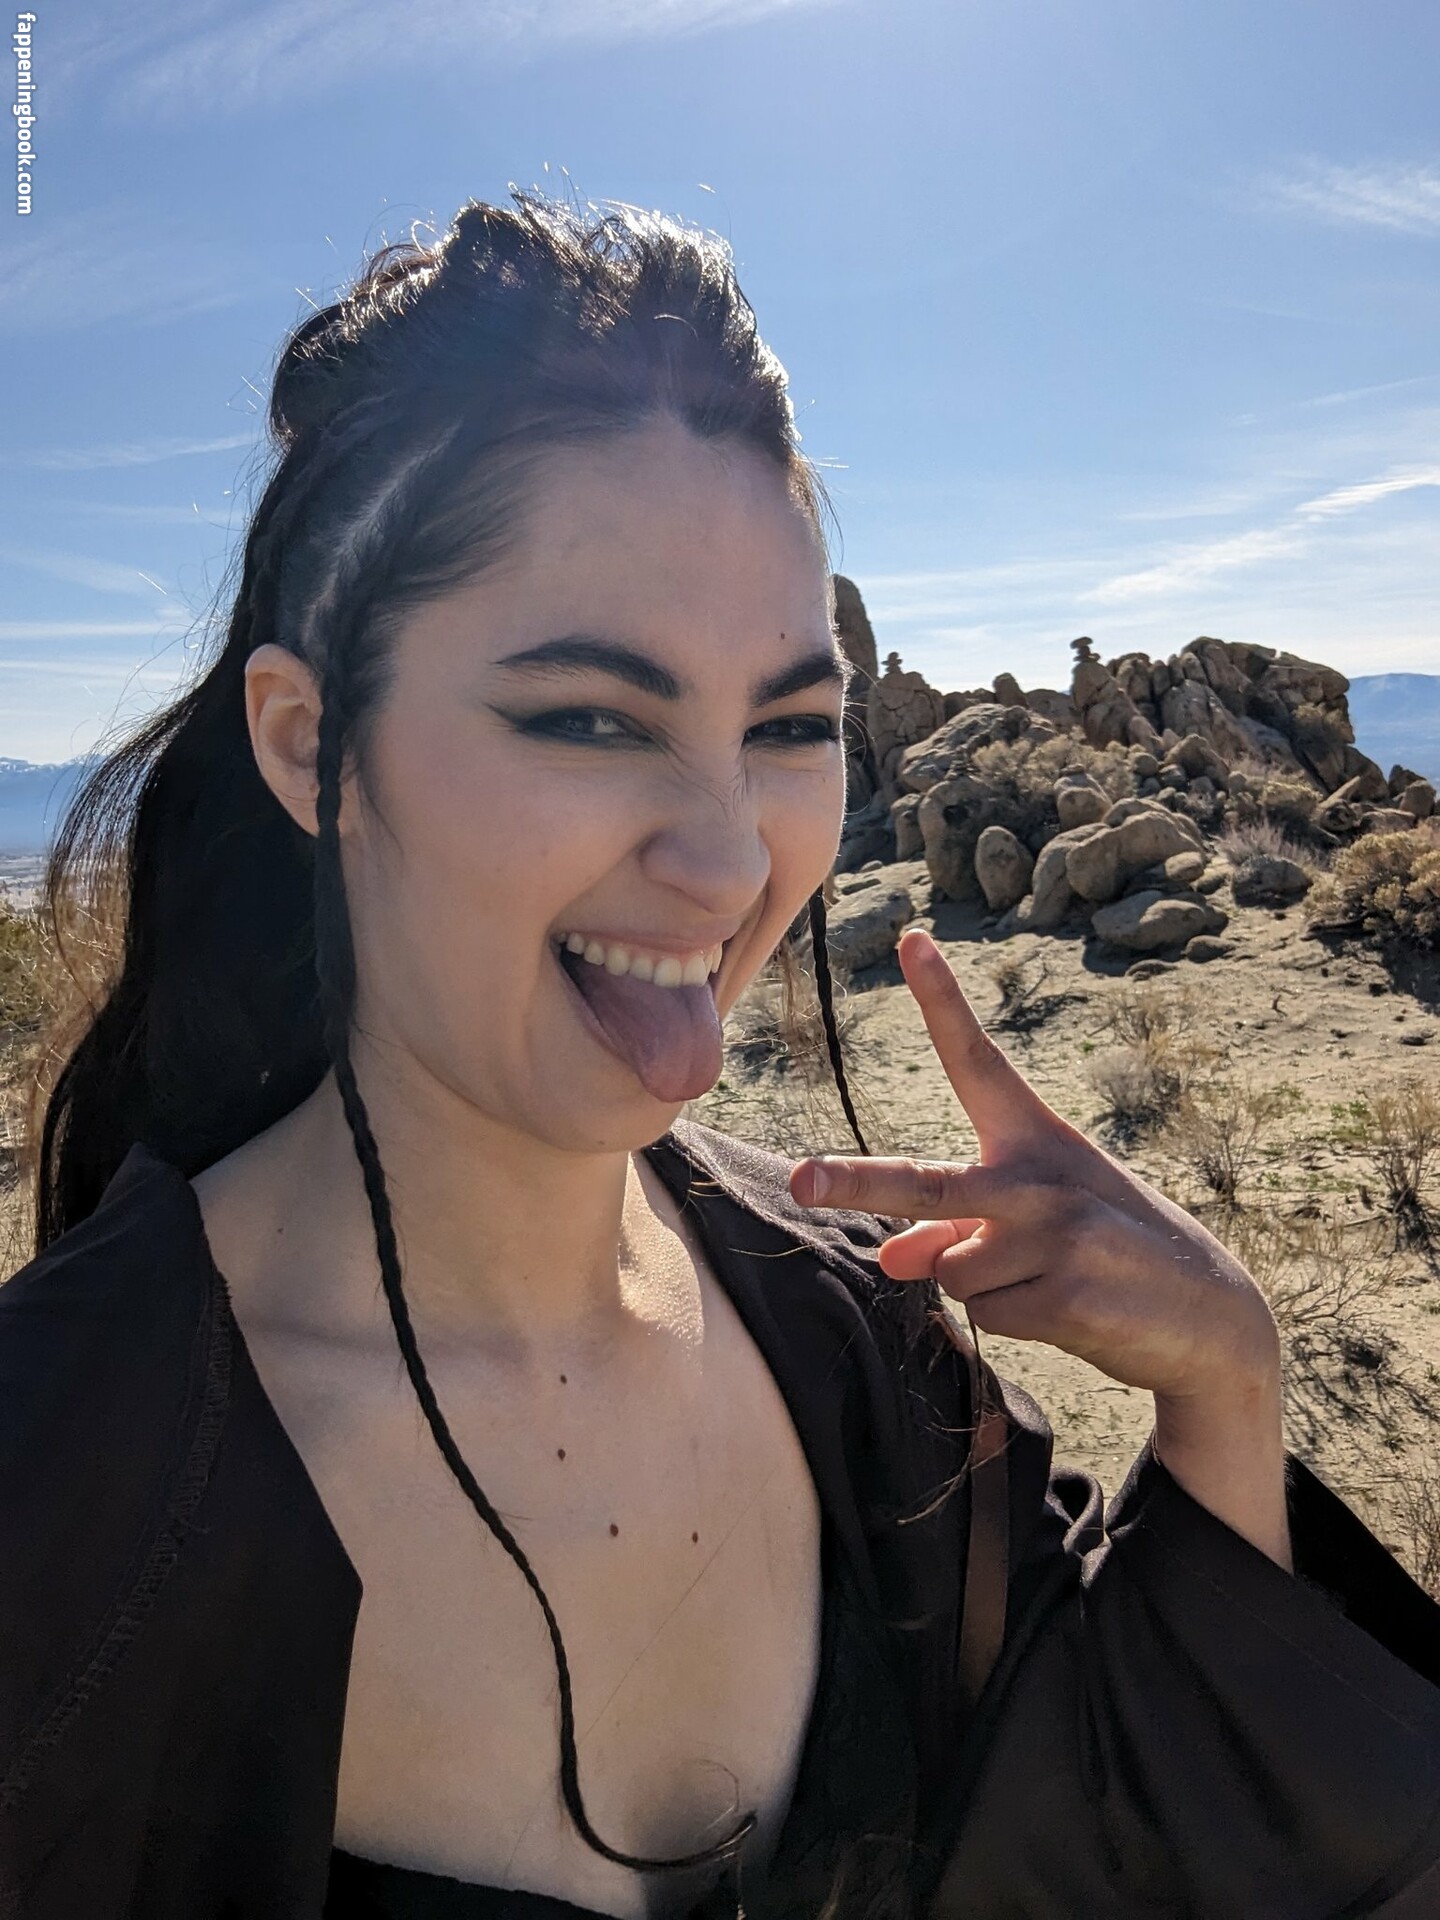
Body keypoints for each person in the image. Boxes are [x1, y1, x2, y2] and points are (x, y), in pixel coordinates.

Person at [2, 191, 1439, 1920]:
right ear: (314, 747)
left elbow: (1101, 1837)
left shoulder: (860, 1335)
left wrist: (1223, 1378)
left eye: (789, 726)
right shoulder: (55, 1495)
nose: (729, 857)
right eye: (589, 717)